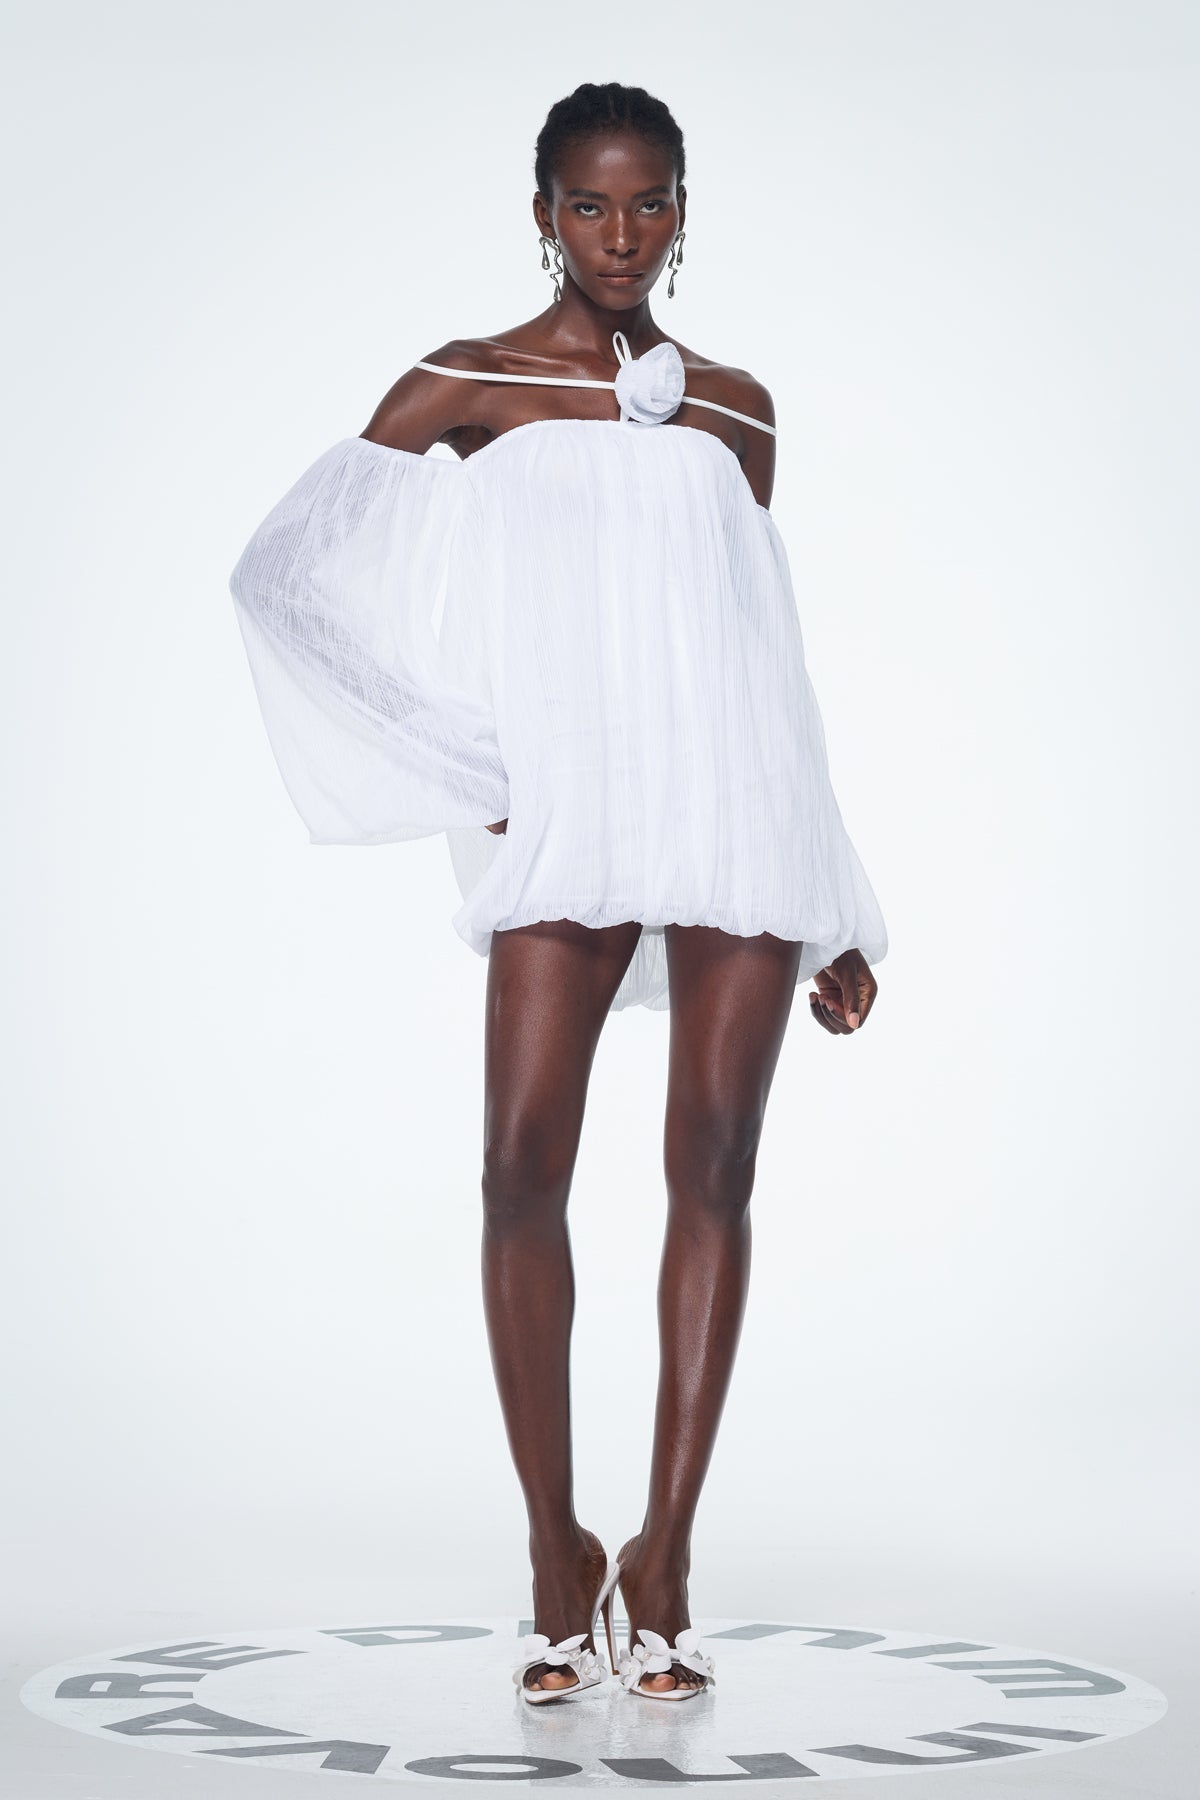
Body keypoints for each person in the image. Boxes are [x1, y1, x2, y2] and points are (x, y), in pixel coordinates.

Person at [229, 81, 887, 1706]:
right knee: (519, 1170)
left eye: (649, 203)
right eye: (589, 205)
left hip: (739, 815)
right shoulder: (472, 382)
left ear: (684, 212)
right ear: (541, 214)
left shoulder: (737, 410)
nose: (619, 234)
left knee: (714, 1170)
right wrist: (469, 764)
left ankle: (664, 1563)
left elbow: (762, 666)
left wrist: (840, 898)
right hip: (573, 819)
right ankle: (553, 1551)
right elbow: (285, 578)